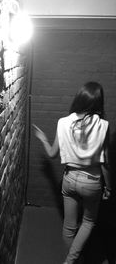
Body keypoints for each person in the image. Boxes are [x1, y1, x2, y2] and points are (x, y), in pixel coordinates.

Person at [33, 81, 112, 264]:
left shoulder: (63, 122)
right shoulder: (103, 125)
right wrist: (109, 187)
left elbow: (52, 154)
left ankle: (71, 260)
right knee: (88, 222)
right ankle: (70, 261)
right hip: (92, 182)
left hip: (69, 179)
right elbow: (105, 162)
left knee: (69, 227)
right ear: (98, 102)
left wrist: (44, 140)